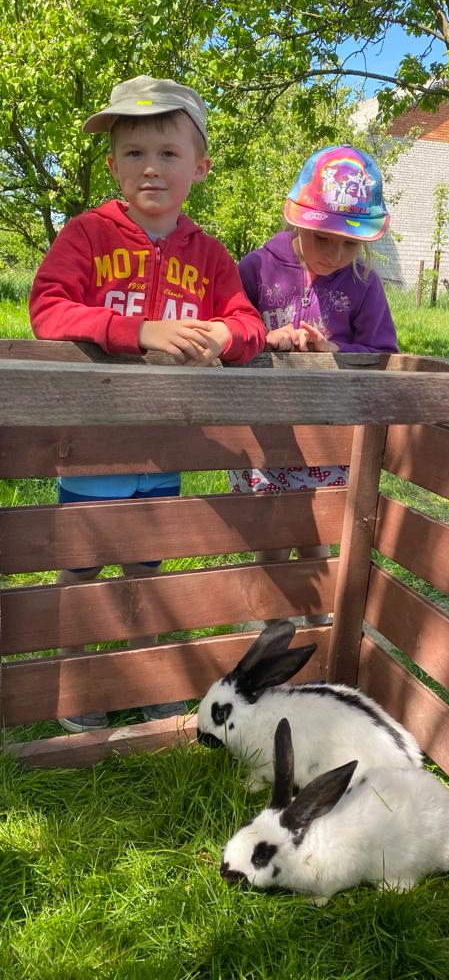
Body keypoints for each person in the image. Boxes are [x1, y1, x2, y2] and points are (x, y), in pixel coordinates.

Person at [29, 75, 266, 732]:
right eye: (134, 153)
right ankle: (78, 680)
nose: (151, 168)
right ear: (113, 165)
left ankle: (146, 672)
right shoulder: (88, 235)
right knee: (81, 567)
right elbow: (48, 308)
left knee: (147, 565)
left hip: (166, 444)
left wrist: (222, 336)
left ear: (200, 167)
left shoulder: (209, 255)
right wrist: (137, 331)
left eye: (168, 153)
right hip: (93, 443)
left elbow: (247, 322)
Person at [229, 145, 398, 624]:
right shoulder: (258, 268)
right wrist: (264, 337)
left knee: (315, 532)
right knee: (269, 534)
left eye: (350, 244)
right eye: (324, 239)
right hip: (264, 432)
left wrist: (335, 352)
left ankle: (319, 624)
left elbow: (383, 352)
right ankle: (272, 626)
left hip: (325, 439)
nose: (336, 255)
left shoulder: (363, 283)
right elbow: (231, 326)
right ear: (300, 222)